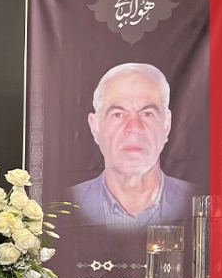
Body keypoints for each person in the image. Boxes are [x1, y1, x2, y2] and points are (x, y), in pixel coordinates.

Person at [67, 63, 198, 231]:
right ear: (95, 127)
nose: (134, 127)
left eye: (147, 113)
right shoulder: (67, 204)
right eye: (118, 114)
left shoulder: (194, 201)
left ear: (167, 125)